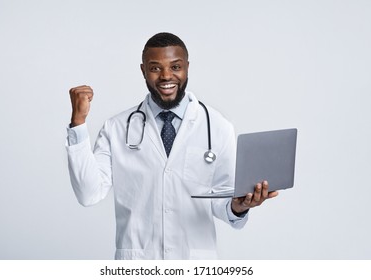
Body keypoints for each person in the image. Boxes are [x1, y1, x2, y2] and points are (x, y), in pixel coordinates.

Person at [66, 32, 278, 260]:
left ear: (187, 67)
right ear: (143, 71)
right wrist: (78, 123)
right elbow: (88, 194)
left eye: (175, 67)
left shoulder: (217, 126)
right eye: (155, 68)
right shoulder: (117, 128)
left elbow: (223, 200)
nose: (166, 76)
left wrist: (239, 206)